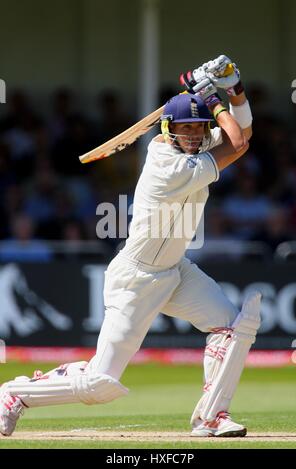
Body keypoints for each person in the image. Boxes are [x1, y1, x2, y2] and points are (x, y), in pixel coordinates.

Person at [0, 55, 261, 438]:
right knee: (99, 384)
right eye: (184, 129)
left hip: (175, 270)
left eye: (198, 129)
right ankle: (14, 394)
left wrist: (235, 89)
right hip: (137, 278)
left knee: (233, 326)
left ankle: (212, 417)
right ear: (168, 131)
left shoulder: (198, 148)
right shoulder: (167, 165)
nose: (191, 136)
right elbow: (237, 144)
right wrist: (212, 97)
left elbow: (245, 133)